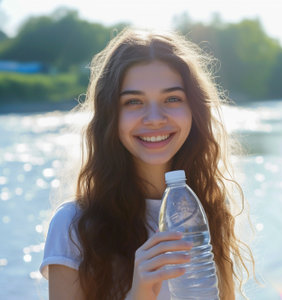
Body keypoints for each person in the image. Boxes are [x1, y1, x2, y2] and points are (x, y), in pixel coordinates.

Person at [40, 28, 252, 300]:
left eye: (172, 98)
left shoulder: (207, 207)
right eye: (133, 102)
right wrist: (138, 293)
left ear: (194, 110)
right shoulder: (73, 226)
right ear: (110, 116)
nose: (154, 118)